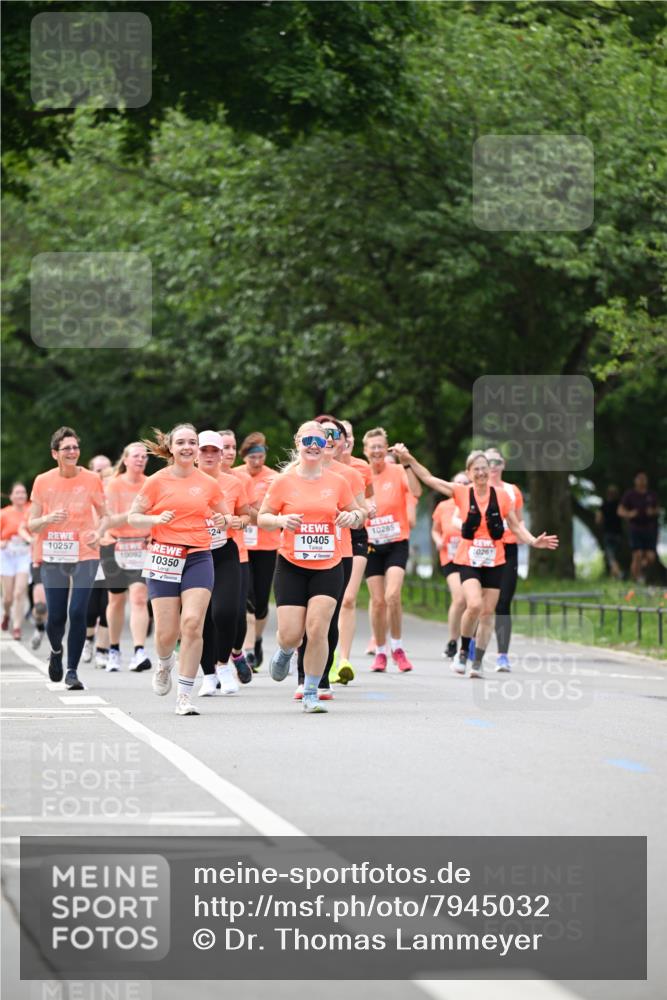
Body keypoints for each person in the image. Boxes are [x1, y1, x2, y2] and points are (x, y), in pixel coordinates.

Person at [393, 445, 558, 677]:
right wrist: (408, 458)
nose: (481, 473)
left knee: (488, 612)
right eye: (476, 469)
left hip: (495, 560)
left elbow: (514, 525)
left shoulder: (501, 496)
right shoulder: (461, 492)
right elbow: (429, 479)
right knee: (474, 605)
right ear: (469, 473)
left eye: (484, 468)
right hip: (468, 559)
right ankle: (463, 652)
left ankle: (478, 661)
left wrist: (532, 541)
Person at [257, 421, 363, 713]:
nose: (314, 445)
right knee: (292, 633)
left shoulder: (337, 482)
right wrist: (280, 522)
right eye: (308, 440)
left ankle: (312, 689)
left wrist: (351, 518)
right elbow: (263, 517)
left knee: (318, 628)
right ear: (298, 443)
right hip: (291, 564)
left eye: (320, 439)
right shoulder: (283, 481)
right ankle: (285, 650)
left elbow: (359, 512)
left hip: (328, 565)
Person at [128, 423, 229, 716]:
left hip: (198, 556)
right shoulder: (156, 481)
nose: (187, 447)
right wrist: (156, 518)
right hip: (163, 555)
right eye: (181, 442)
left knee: (193, 624)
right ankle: (163, 662)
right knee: (165, 633)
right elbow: (134, 517)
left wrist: (224, 521)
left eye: (192, 442)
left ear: (197, 449)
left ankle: (184, 695)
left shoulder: (209, 483)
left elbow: (225, 516)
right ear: (171, 448)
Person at [28, 427, 108, 690]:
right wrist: (47, 519)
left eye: (75, 447)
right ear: (55, 454)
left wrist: (98, 532)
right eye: (67, 449)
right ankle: (55, 651)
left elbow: (105, 514)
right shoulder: (42, 481)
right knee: (56, 617)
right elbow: (32, 525)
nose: (73, 452)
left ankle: (72, 671)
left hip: (86, 551)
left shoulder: (92, 479)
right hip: (53, 554)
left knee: (78, 611)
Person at [294, 415, 367, 698]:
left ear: (338, 442)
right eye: (322, 433)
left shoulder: (349, 475)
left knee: (328, 617)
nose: (327, 439)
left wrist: (354, 515)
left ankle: (321, 677)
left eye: (333, 434)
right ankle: (302, 674)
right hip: (299, 554)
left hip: (339, 552)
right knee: (302, 620)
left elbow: (360, 516)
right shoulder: (296, 470)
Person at [196, 430, 252, 697]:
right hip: (193, 554)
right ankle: (208, 674)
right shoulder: (182, 480)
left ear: (221, 455)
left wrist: (237, 521)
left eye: (214, 451)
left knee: (226, 612)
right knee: (201, 618)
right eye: (204, 450)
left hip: (224, 550)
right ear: (196, 453)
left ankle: (222, 664)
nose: (209, 455)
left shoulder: (233, 483)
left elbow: (245, 514)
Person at [362, 428, 421, 673]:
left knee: (392, 596)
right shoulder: (361, 475)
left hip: (397, 541)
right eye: (371, 447)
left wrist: (407, 463)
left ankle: (397, 647)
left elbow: (416, 492)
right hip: (372, 543)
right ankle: (381, 651)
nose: (376, 451)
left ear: (386, 449)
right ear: (365, 451)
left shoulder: (397, 471)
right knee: (377, 602)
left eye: (380, 446)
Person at [103, 443, 152, 672]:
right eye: (136, 456)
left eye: (144, 456)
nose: (141, 460)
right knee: (116, 600)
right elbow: (110, 521)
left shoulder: (150, 483)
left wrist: (152, 531)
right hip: (116, 546)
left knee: (140, 598)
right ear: (125, 459)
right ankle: (113, 649)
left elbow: (156, 516)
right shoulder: (114, 485)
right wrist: (134, 515)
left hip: (141, 546)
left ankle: (139, 651)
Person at [232, 432, 279, 671]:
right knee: (246, 600)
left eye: (261, 457)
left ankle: (257, 640)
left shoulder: (274, 478)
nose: (257, 462)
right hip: (241, 545)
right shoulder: (236, 475)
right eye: (252, 458)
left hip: (267, 545)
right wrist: (254, 512)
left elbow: (275, 509)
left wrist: (258, 513)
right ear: (245, 457)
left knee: (261, 601)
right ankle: (248, 649)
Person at [334, 419, 375, 682]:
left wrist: (369, 507)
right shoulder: (318, 466)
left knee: (348, 599)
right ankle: (319, 653)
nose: (345, 439)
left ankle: (343, 660)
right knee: (327, 601)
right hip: (327, 535)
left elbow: (368, 497)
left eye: (349, 434)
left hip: (356, 535)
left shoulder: (362, 468)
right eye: (341, 434)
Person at [485, 447, 525, 672]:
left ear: (503, 465)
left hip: (508, 548)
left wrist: (526, 537)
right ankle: (469, 646)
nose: (492, 466)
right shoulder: (477, 490)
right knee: (480, 603)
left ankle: (502, 655)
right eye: (488, 461)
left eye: (497, 461)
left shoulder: (512, 491)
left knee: (503, 603)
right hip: (484, 549)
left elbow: (518, 522)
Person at [219, 429, 254, 680]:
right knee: (214, 612)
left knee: (237, 612)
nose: (229, 452)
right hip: (204, 552)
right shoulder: (199, 478)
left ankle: (237, 653)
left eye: (232, 447)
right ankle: (216, 665)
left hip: (237, 553)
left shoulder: (240, 479)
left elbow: (251, 513)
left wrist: (239, 520)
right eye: (224, 447)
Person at [431, 471, 469, 665]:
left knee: (473, 601)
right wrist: (438, 541)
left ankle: (468, 640)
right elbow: (435, 530)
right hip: (450, 557)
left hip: (470, 557)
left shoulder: (472, 504)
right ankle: (453, 640)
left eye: (465, 483)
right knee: (460, 597)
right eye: (458, 483)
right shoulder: (443, 507)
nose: (462, 486)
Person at [82, 454, 113, 668]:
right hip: (91, 552)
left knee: (108, 604)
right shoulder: (86, 493)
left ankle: (103, 650)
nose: (102, 473)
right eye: (98, 469)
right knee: (91, 605)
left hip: (113, 551)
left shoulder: (116, 492)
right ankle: (89, 639)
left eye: (106, 468)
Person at [1, 483, 32, 639]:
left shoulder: (31, 510)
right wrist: (3, 543)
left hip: (24, 555)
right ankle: (6, 614)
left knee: (19, 592)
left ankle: (17, 627)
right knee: (8, 597)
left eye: (23, 492)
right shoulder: (4, 513)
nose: (21, 495)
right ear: (11, 496)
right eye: (17, 493)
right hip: (7, 556)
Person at [618, 472, 660, 583]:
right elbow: (620, 511)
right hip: (635, 528)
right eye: (639, 479)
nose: (642, 481)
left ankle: (638, 570)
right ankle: (636, 580)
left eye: (644, 479)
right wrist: (630, 514)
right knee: (637, 554)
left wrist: (653, 511)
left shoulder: (652, 495)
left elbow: (658, 510)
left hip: (649, 529)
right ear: (635, 480)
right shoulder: (630, 495)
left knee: (651, 557)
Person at [595, 484, 623, 580]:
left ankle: (619, 574)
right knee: (616, 556)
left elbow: (598, 519)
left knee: (611, 558)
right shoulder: (620, 504)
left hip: (608, 533)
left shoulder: (604, 505)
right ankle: (613, 578)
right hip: (618, 533)